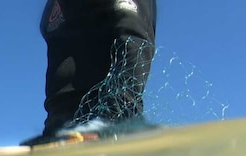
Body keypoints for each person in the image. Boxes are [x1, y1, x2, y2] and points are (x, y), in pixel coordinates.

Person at [22, 0, 157, 147]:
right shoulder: (53, 6)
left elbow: (133, 41)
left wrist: (114, 120)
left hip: (106, 127)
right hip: (59, 130)